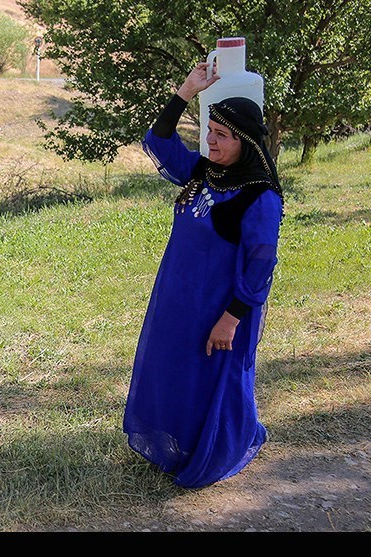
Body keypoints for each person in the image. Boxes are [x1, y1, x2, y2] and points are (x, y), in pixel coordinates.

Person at [122, 62, 284, 488]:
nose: (210, 141)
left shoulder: (259, 197)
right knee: (177, 371)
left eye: (222, 135)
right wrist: (185, 92)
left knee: (213, 378)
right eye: (209, 131)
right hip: (178, 298)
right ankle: (180, 444)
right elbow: (157, 141)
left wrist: (231, 318)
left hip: (220, 308)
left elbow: (260, 266)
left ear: (245, 142)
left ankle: (219, 446)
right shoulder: (203, 172)